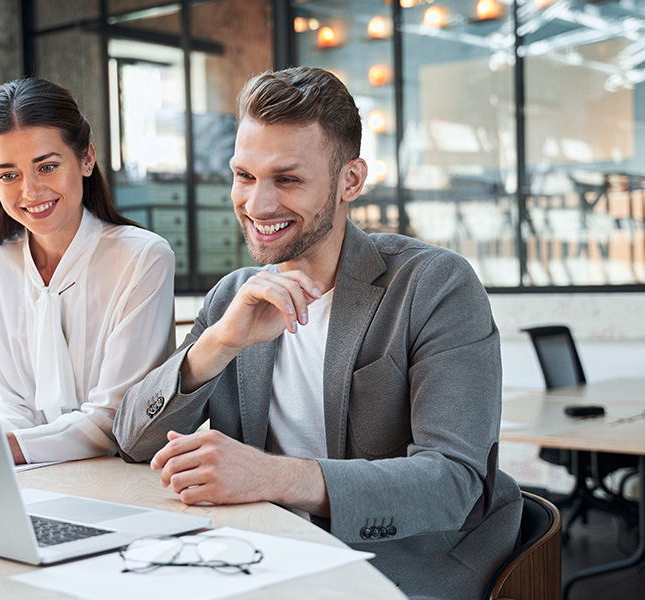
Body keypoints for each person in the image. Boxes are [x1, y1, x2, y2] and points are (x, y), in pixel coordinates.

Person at [113, 66, 522, 600]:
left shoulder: (433, 284)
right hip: (267, 550)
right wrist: (217, 345)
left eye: (287, 179)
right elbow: (131, 441)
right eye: (244, 176)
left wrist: (272, 476)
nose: (257, 206)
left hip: (410, 555)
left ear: (350, 180)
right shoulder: (235, 295)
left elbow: (453, 483)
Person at [0, 77, 176, 466]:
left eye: (46, 166)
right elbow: (6, 399)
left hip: (120, 475)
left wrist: (9, 449)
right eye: (8, 174)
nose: (30, 191)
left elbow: (114, 419)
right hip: (26, 474)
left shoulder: (142, 257)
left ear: (87, 158)